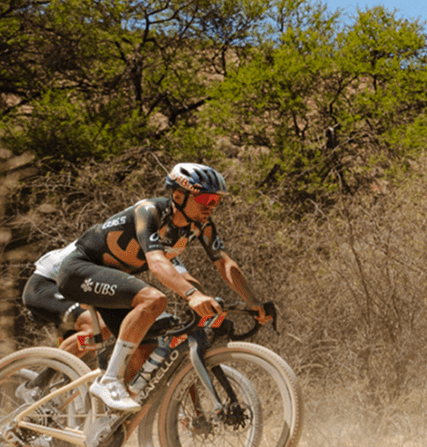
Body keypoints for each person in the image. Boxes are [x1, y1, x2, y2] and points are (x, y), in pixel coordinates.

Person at [55, 163, 269, 411]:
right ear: (178, 195)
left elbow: (224, 263)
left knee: (149, 345)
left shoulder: (200, 225)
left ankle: (112, 423)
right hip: (79, 271)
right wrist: (192, 295)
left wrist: (253, 300)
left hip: (113, 282)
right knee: (153, 300)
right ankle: (109, 380)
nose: (211, 205)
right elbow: (156, 263)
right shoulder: (150, 211)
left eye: (216, 200)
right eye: (205, 198)